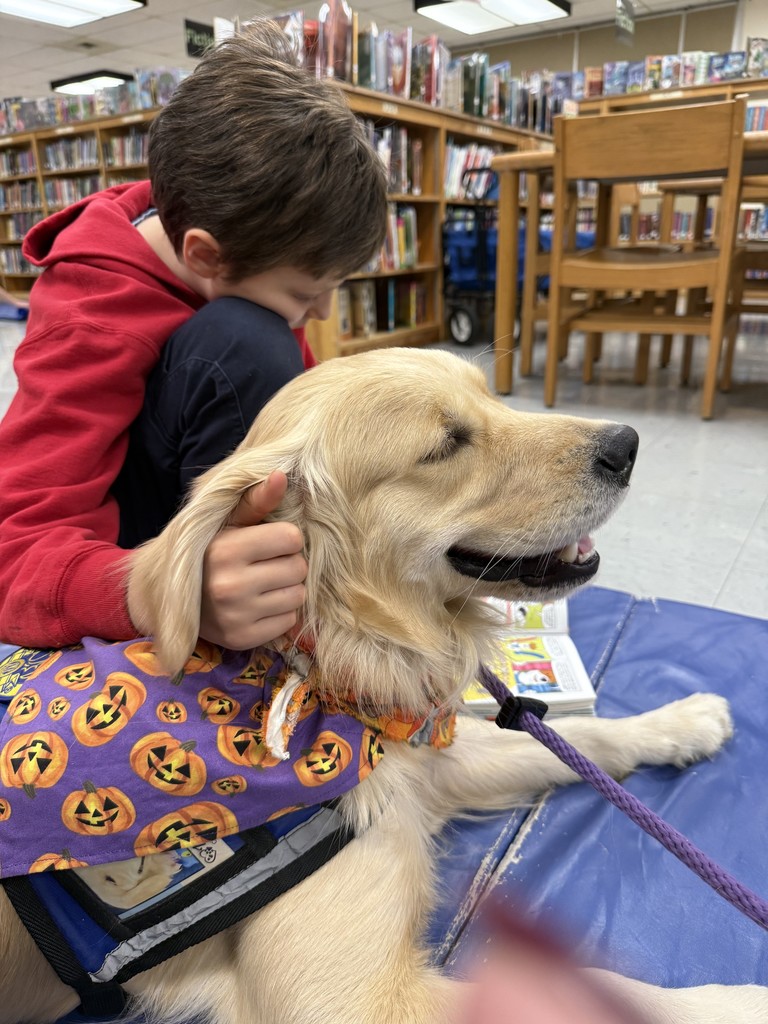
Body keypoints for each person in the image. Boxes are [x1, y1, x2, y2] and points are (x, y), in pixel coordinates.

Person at [0, 21, 388, 653]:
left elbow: (304, 425)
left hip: (213, 529)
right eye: (302, 292)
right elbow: (12, 560)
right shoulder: (90, 317)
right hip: (134, 566)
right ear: (203, 255)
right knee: (247, 340)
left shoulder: (247, 244)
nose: (321, 311)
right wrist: (172, 590)